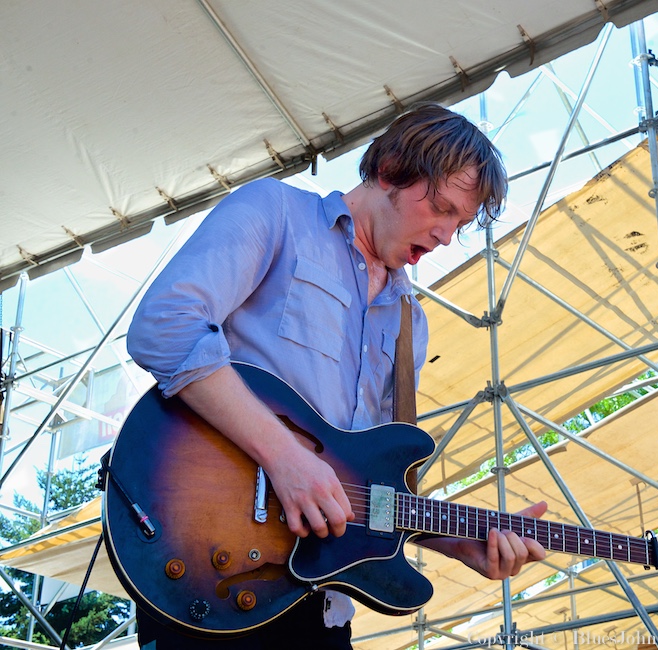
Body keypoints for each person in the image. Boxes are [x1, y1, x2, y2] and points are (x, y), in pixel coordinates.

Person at [126, 102, 547, 649]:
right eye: (441, 207)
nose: (445, 235)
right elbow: (163, 326)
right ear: (391, 168)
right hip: (207, 568)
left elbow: (361, 486)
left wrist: (456, 543)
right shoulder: (275, 212)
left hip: (322, 610)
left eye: (460, 224)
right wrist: (284, 456)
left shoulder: (408, 322)